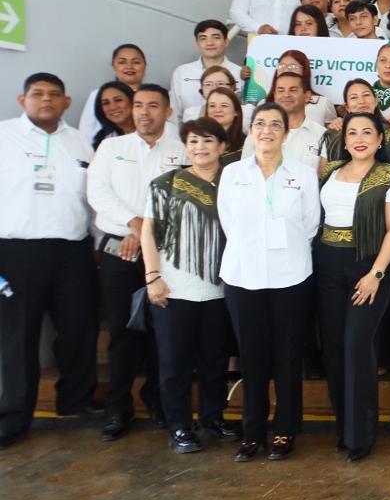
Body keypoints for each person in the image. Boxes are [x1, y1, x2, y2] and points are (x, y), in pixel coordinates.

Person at [0, 74, 103, 449]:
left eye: (54, 95)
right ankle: (13, 417)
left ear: (67, 102)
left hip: (73, 250)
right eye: (38, 94)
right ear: (22, 99)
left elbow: (92, 197)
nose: (46, 100)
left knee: (80, 328)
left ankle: (76, 399)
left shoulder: (79, 141)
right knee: (18, 338)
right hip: (15, 252)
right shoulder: (4, 136)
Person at [218, 102, 321, 462]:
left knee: (287, 357)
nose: (267, 131)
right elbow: (228, 222)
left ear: (286, 134)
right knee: (252, 357)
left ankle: (284, 430)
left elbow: (310, 225)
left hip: (290, 276)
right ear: (251, 131)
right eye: (260, 124)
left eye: (275, 125)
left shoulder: (303, 174)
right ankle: (252, 433)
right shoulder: (232, 173)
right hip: (243, 275)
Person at [88, 84, 187, 441]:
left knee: (163, 333)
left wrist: (149, 233)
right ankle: (118, 408)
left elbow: (183, 200)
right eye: (139, 105)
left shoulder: (181, 150)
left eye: (153, 106)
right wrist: (134, 224)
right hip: (122, 251)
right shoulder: (112, 148)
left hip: (165, 254)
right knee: (121, 333)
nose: (145, 112)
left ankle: (156, 400)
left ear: (168, 112)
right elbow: (97, 192)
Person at [139, 117, 237, 454]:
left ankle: (212, 418)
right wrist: (153, 276)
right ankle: (179, 426)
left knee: (215, 361)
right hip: (174, 288)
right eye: (193, 141)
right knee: (174, 363)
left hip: (220, 288)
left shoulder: (235, 183)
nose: (200, 147)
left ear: (222, 146)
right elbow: (148, 233)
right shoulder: (165, 184)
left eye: (208, 140)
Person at [314, 113, 390, 462]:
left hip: (368, 265)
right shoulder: (329, 171)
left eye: (368, 132)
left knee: (357, 346)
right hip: (327, 264)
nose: (359, 138)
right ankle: (344, 430)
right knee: (334, 348)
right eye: (352, 132)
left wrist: (376, 274)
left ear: (380, 139)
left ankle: (361, 435)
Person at [169, 21, 241, 124]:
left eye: (216, 37)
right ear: (197, 43)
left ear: (226, 41)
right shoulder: (182, 72)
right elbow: (174, 114)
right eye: (203, 38)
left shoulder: (239, 73)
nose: (209, 43)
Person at [90, 82, 135, 149]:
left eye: (118, 100)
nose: (112, 107)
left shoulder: (149, 132)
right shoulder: (102, 140)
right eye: (106, 103)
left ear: (132, 101)